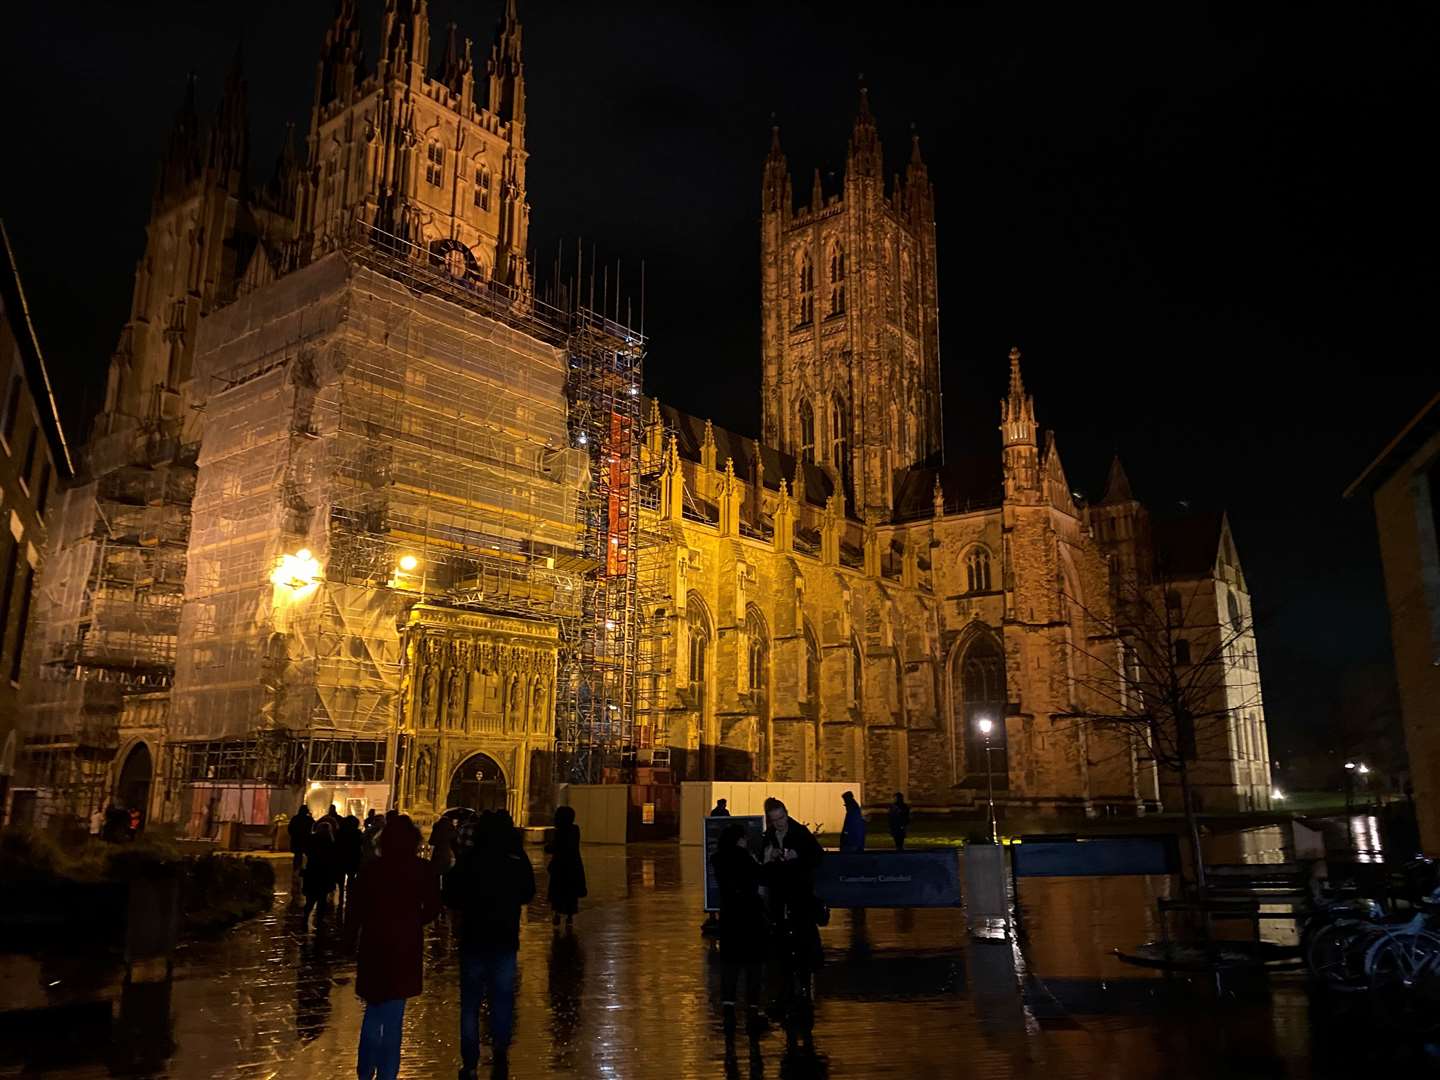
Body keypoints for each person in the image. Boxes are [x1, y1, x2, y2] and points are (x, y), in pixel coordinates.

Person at [346, 814, 441, 1080]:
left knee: (373, 1011)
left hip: (374, 944)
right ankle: (388, 1074)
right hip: (404, 946)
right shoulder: (421, 869)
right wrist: (413, 922)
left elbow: (355, 910)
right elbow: (433, 907)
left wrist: (348, 941)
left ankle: (365, 1072)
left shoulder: (371, 868)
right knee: (394, 1017)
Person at [444, 810, 536, 1077]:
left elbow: (450, 895)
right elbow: (528, 892)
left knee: (471, 1003)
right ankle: (500, 1051)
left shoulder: (470, 858)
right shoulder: (515, 858)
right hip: (505, 939)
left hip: (473, 939)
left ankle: (470, 1062)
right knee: (503, 999)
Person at [761, 797, 824, 1045]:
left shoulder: (800, 833)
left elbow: (817, 857)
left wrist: (796, 857)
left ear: (787, 814)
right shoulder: (768, 837)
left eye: (781, 819)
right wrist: (769, 858)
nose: (779, 824)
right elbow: (763, 869)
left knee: (803, 939)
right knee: (781, 944)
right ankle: (787, 987)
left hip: (799, 897)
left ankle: (805, 984)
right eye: (774, 820)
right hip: (779, 898)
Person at [711, 821, 767, 1054]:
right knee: (753, 964)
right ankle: (752, 1006)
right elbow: (760, 875)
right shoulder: (744, 857)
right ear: (739, 839)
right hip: (749, 916)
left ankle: (729, 1004)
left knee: (730, 964)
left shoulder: (718, 859)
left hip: (729, 917)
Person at [545, 806, 587, 930]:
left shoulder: (561, 831)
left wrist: (548, 848)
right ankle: (569, 917)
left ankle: (557, 913)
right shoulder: (574, 830)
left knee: (558, 891)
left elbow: (556, 846)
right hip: (573, 866)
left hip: (560, 867)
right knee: (570, 894)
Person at [303, 818, 341, 927]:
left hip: (313, 871)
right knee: (322, 898)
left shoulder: (312, 839)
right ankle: (319, 919)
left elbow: (307, 852)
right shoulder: (330, 841)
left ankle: (306, 916)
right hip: (324, 873)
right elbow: (333, 858)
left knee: (311, 897)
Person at [337, 815, 364, 909]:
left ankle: (341, 892)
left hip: (341, 857)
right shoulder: (357, 833)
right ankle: (349, 892)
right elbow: (361, 844)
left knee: (340, 876)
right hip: (353, 857)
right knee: (351, 876)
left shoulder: (340, 832)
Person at [288, 805, 315, 888]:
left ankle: (296, 870)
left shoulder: (295, 818)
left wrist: (294, 835)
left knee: (298, 855)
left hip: (297, 840)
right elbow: (314, 826)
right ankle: (306, 869)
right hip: (306, 840)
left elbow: (290, 829)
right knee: (308, 855)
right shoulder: (308, 819)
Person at [429, 814, 458, 879]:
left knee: (436, 873)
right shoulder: (450, 828)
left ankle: (436, 887)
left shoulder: (436, 827)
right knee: (446, 873)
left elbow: (431, 842)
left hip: (437, 853)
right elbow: (455, 838)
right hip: (447, 853)